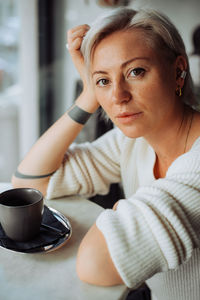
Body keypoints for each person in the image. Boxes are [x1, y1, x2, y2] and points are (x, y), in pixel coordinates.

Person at [12, 7, 200, 300]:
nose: (117, 97)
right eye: (104, 81)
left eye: (135, 72)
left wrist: (119, 211)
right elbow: (28, 184)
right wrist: (88, 95)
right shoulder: (133, 141)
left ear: (178, 71)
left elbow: (96, 265)